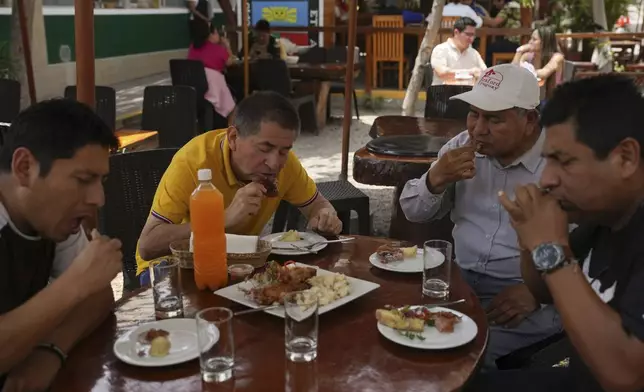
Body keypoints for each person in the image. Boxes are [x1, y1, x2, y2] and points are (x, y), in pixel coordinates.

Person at [469, 75, 644, 392]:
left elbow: (626, 375)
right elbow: (543, 292)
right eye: (547, 160)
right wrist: (529, 241)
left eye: (564, 162)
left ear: (626, 157)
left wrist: (550, 247)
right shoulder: (604, 214)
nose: (547, 179)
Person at [400, 64, 562, 369]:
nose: (477, 129)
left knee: (462, 358)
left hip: (526, 300)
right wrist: (434, 180)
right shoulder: (460, 147)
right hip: (458, 281)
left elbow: (591, 251)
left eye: (494, 119)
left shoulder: (558, 164)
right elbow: (413, 211)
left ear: (530, 120)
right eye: (474, 114)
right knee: (401, 332)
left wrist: (538, 292)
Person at [136, 92, 343, 281]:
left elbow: (317, 204)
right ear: (233, 138)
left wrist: (325, 216)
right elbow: (148, 246)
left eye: (283, 151)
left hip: (237, 263)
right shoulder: (193, 163)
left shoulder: (285, 165)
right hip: (170, 268)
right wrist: (221, 220)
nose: (273, 163)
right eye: (265, 148)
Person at [0, 99, 122, 390]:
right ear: (25, 167)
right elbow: (84, 288)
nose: (98, 199)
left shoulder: (49, 219)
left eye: (100, 180)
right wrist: (75, 284)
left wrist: (50, 351)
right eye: (83, 179)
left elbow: (99, 296)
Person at [188, 22, 236, 119]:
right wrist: (227, 46)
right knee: (232, 110)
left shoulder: (193, 47)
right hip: (211, 88)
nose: (219, 36)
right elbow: (230, 62)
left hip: (192, 89)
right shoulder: (218, 49)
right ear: (211, 34)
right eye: (217, 33)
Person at [512, 25, 564, 102]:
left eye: (534, 39)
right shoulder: (528, 56)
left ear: (544, 42)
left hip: (551, 101)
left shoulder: (557, 57)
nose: (530, 42)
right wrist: (519, 51)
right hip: (531, 98)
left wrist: (524, 71)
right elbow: (512, 71)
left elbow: (544, 73)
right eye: (531, 38)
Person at [430, 17, 487, 85]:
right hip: (444, 93)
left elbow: (486, 74)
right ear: (456, 32)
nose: (471, 39)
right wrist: (470, 72)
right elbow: (441, 73)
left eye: (473, 35)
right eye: (468, 34)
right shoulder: (441, 49)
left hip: (467, 94)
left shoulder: (474, 53)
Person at [483, 0, 521, 65]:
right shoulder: (515, 5)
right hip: (515, 43)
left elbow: (494, 23)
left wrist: (479, 17)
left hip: (512, 42)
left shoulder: (510, 7)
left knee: (489, 49)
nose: (494, 4)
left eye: (495, 1)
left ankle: (488, 72)